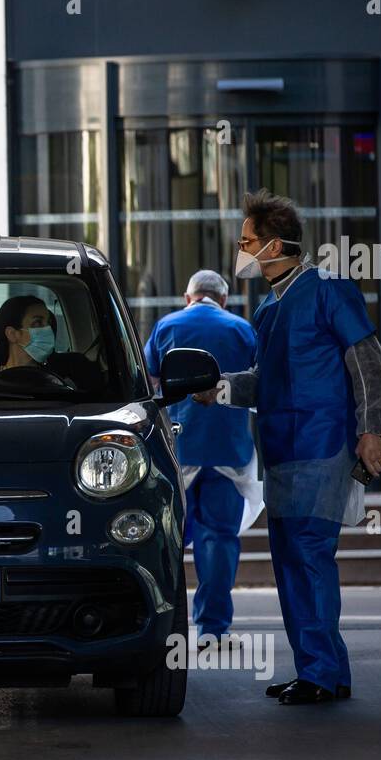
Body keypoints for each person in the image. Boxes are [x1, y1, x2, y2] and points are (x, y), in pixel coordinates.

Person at [194, 189, 381, 705]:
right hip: (280, 451)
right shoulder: (267, 311)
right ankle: (319, 670)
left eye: (247, 240)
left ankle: (322, 673)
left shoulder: (328, 289)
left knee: (309, 554)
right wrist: (220, 389)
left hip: (324, 445)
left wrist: (372, 430)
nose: (241, 249)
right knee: (289, 560)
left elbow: (365, 360)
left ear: (274, 243)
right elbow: (266, 382)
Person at [144, 270, 259, 648]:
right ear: (223, 299)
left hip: (179, 452)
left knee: (168, 541)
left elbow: (148, 381)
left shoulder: (166, 326)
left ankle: (165, 630)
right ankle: (212, 630)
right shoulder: (242, 329)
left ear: (188, 296)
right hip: (229, 451)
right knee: (219, 541)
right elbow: (260, 384)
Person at [0, 295, 100, 389]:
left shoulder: (66, 380)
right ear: (12, 334)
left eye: (48, 323)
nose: (47, 329)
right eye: (37, 323)